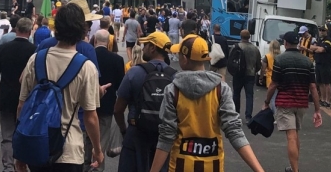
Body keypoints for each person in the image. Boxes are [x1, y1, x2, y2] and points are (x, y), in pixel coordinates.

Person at [149, 35, 265, 172]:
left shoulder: (173, 90)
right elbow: (235, 132)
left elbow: (166, 136)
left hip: (180, 165)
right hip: (213, 166)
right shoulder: (221, 89)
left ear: (184, 59)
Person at [16, 3, 103, 172]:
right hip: (69, 150)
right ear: (82, 29)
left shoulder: (36, 60)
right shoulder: (86, 67)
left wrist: (20, 152)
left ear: (56, 28)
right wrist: (98, 150)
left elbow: (22, 106)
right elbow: (90, 117)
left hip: (36, 145)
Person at [114, 31, 175, 172]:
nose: (143, 48)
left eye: (146, 45)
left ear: (153, 48)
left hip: (136, 134)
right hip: (163, 138)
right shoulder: (174, 76)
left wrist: (124, 130)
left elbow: (118, 109)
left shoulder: (134, 72)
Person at [262, 31, 322, 172]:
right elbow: (313, 87)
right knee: (295, 134)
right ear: (298, 44)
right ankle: (294, 166)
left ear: (286, 43)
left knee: (291, 136)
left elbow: (274, 84)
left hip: (285, 102)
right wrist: (317, 109)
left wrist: (266, 101)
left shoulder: (280, 60)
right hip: (301, 103)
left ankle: (295, 170)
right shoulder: (307, 61)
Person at [0, 18, 36, 172]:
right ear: (29, 32)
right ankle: (22, 164)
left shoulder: (4, 48)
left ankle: (8, 166)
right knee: (25, 133)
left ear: (16, 29)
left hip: (6, 96)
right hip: (26, 99)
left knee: (7, 135)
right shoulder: (34, 50)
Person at [85, 29, 126, 172]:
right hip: (107, 105)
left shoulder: (86, 57)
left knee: (85, 138)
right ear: (109, 41)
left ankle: (84, 165)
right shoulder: (117, 60)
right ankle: (98, 167)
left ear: (94, 40)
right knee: (101, 139)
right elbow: (121, 85)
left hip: (86, 105)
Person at [233, 29, 261, 121]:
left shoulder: (235, 46)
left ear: (240, 36)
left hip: (238, 74)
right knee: (249, 95)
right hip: (250, 74)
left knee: (236, 94)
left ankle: (236, 113)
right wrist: (254, 70)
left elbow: (231, 61)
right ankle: (248, 116)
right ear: (249, 37)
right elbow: (258, 64)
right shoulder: (255, 49)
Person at [312, 26, 331, 107]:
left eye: (323, 30)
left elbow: (321, 50)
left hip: (325, 63)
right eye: (320, 30)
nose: (321, 32)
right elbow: (312, 47)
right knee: (320, 82)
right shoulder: (319, 40)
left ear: (326, 31)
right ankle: (323, 99)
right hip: (318, 63)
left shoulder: (328, 40)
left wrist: (317, 48)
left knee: (326, 82)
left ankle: (328, 101)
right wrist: (318, 48)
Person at [261, 40, 281, 105]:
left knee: (272, 99)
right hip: (280, 80)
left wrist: (261, 78)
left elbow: (263, 69)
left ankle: (274, 113)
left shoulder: (267, 56)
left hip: (270, 79)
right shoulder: (282, 57)